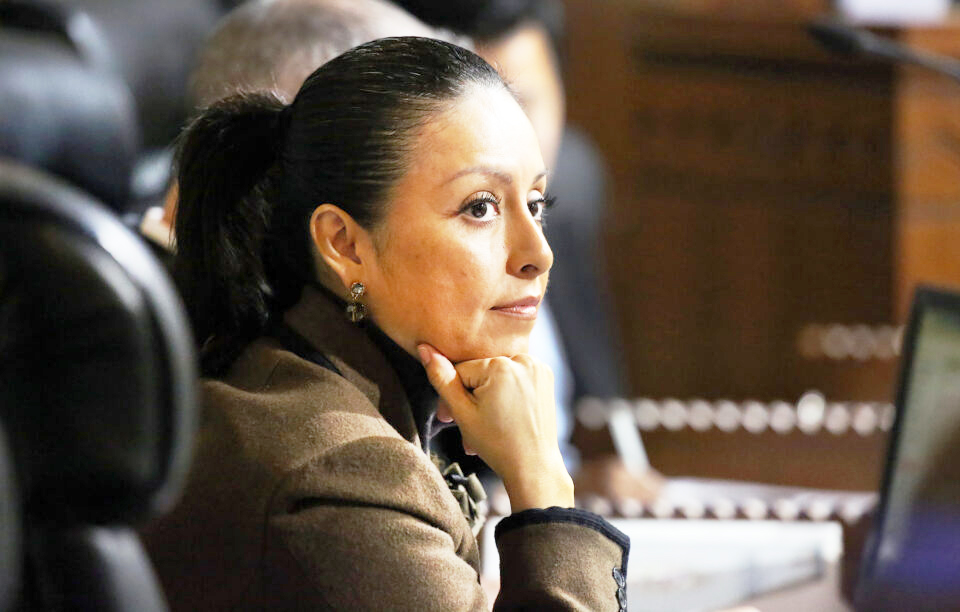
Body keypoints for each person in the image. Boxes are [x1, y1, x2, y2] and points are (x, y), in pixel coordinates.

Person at [142, 37, 629, 610]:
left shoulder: (302, 381)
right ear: (344, 244)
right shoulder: (341, 477)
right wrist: (543, 483)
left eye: (536, 204)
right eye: (480, 207)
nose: (538, 253)